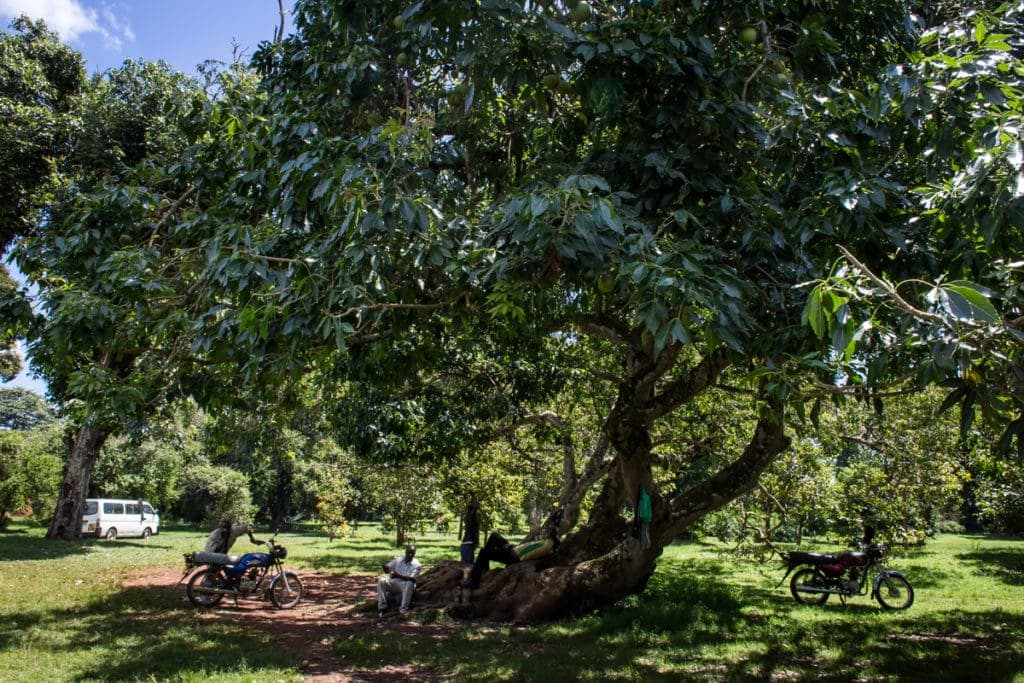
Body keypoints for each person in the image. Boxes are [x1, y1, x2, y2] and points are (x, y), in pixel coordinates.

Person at [462, 508, 563, 589]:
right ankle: (484, 566)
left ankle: (474, 581)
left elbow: (554, 529)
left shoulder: (549, 545)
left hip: (514, 556)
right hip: (514, 550)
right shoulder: (548, 543)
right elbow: (553, 530)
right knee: (495, 536)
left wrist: (558, 516)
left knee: (484, 552)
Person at [377, 545, 422, 616]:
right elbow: (387, 570)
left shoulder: (417, 565)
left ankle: (403, 609)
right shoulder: (398, 560)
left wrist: (397, 575)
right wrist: (385, 567)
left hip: (406, 586)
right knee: (381, 580)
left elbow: (412, 578)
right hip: (394, 583)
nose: (410, 555)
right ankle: (382, 608)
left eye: (412, 553)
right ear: (405, 551)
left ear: (414, 554)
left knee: (410, 583)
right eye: (409, 552)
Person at [460, 494, 480, 564]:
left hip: (468, 545)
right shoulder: (471, 517)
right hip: (467, 545)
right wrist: (473, 495)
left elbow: (475, 506)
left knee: (470, 567)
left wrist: (473, 497)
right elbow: (476, 506)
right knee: (467, 567)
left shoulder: (469, 516)